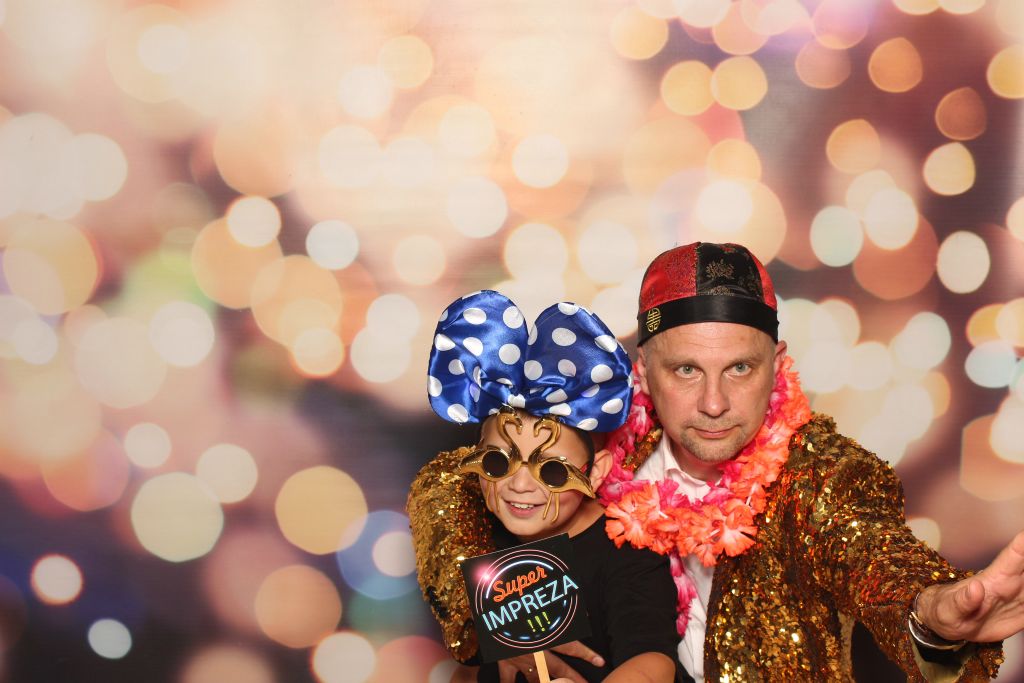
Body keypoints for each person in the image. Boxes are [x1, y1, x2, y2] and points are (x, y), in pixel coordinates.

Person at [409, 242, 1024, 682]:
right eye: (685, 370)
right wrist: (505, 625)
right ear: (643, 370)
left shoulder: (825, 475)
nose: (713, 403)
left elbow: (874, 557)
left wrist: (931, 613)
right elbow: (450, 487)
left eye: (740, 368)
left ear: (776, 364)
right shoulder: (595, 443)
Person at [410, 290, 685, 683]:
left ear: (595, 473)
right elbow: (466, 665)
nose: (520, 485)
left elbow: (653, 661)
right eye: (497, 462)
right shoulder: (479, 538)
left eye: (552, 471)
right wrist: (502, 653)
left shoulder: (626, 552)